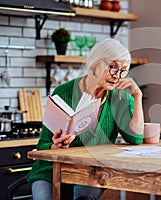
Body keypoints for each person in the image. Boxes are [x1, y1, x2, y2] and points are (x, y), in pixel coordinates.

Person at [27, 38, 144, 200]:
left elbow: (136, 137)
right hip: (50, 170)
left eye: (123, 70)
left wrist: (137, 96)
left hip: (90, 172)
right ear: (95, 64)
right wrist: (55, 147)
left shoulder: (120, 98)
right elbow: (42, 146)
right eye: (113, 67)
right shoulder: (63, 92)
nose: (117, 76)